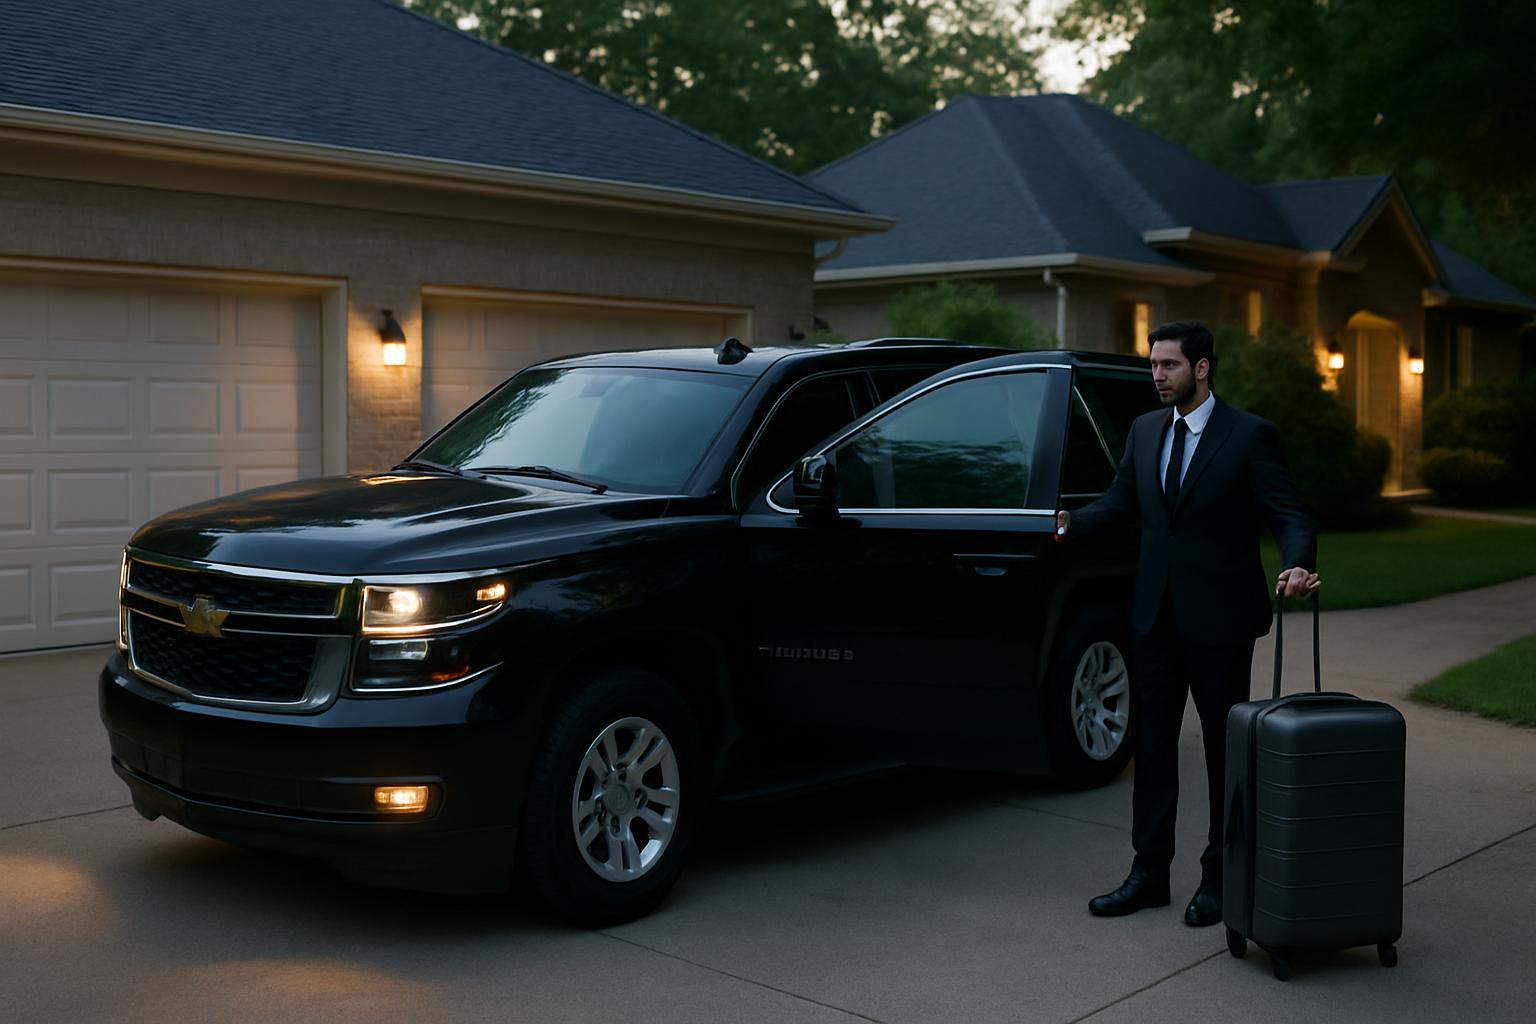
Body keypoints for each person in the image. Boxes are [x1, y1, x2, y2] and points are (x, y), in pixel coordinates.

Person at [1057, 320, 1319, 927]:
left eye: (1168, 366)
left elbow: (1289, 512)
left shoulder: (1250, 436)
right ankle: (1147, 874)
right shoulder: (1146, 431)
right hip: (1154, 618)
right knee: (1150, 749)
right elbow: (1122, 502)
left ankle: (1221, 878)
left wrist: (1299, 563)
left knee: (1227, 757)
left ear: (1202, 368)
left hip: (1221, 622)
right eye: (1153, 365)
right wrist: (1072, 522)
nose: (1156, 376)